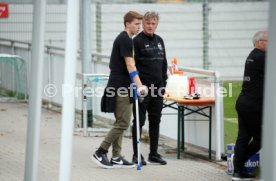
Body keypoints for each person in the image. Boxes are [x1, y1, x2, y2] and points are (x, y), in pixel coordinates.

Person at [92, 11, 146, 169]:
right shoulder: (125, 39)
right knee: (123, 122)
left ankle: (116, 157)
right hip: (120, 87)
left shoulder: (126, 39)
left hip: (122, 86)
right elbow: (130, 65)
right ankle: (101, 151)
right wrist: (140, 84)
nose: (139, 28)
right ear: (127, 23)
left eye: (139, 25)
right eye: (136, 24)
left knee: (120, 121)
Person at [131, 11, 168, 166]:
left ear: (157, 24)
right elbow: (131, 65)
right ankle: (136, 154)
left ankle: (153, 153)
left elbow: (164, 63)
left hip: (158, 89)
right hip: (142, 89)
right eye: (147, 23)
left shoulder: (160, 40)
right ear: (143, 23)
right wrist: (138, 86)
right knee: (139, 121)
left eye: (153, 23)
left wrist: (164, 83)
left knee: (155, 121)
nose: (150, 26)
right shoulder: (136, 41)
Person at [232, 31, 267, 180]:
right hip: (253, 106)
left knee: (243, 137)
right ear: (259, 42)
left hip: (244, 102)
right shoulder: (262, 57)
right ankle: (239, 165)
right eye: (268, 41)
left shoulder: (252, 55)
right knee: (262, 139)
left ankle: (237, 171)